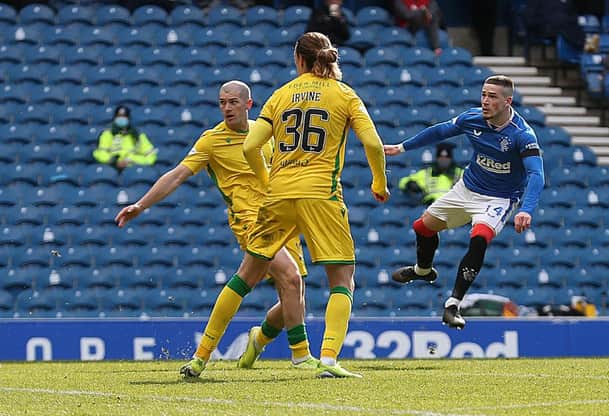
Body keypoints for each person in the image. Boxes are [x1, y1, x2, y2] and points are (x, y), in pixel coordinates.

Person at [114, 81, 317, 378]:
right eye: (222, 102)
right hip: (249, 220)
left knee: (292, 295)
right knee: (290, 277)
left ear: (248, 105)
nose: (226, 108)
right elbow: (177, 174)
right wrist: (141, 205)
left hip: (283, 218)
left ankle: (253, 340)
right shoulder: (212, 140)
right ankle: (301, 355)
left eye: (233, 102)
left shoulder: (267, 133)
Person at [238, 31, 389, 378]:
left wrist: (267, 180)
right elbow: (374, 144)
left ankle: (224, 349)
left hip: (279, 194)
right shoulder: (345, 95)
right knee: (341, 279)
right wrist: (378, 183)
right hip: (321, 195)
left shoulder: (281, 95)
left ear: (299, 60)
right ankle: (329, 360)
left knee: (262, 278)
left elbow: (250, 148)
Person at [384, 75, 545, 330]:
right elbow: (440, 131)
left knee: (480, 236)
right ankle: (423, 270)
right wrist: (401, 148)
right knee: (422, 227)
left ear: (507, 101)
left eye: (492, 97)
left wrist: (526, 209)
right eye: (483, 94)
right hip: (467, 188)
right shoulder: (473, 118)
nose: (485, 101)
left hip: (499, 198)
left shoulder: (522, 135)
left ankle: (453, 305)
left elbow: (536, 174)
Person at [93, 105, 157, 172]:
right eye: (119, 116)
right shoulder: (107, 134)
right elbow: (99, 153)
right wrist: (114, 161)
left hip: (133, 169)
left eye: (124, 116)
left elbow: (151, 157)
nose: (121, 118)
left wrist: (132, 160)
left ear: (129, 118)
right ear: (114, 118)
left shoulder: (138, 136)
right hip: (112, 168)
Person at [398, 142, 463, 206]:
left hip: (453, 206)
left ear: (451, 159)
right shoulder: (427, 173)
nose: (443, 160)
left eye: (446, 158)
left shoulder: (459, 173)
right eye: (441, 158)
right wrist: (409, 183)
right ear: (437, 158)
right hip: (430, 206)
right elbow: (402, 182)